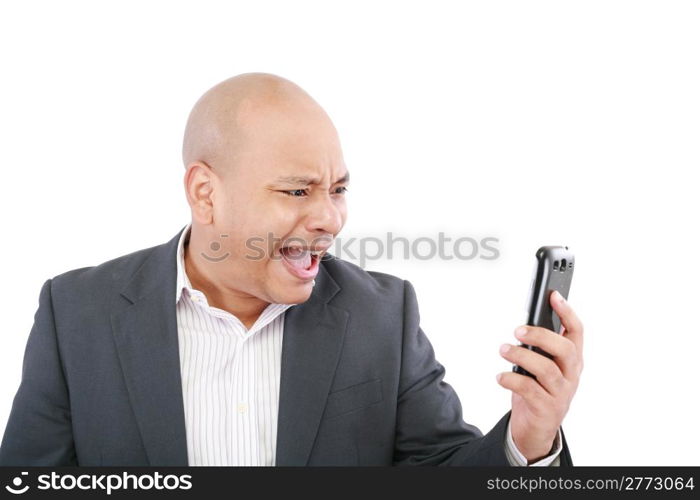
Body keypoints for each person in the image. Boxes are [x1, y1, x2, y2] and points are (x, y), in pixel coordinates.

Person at [0, 73, 583, 466]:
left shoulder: (381, 314)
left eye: (337, 189)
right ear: (205, 194)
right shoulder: (76, 313)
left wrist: (526, 441)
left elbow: (440, 473)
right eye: (297, 190)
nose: (328, 217)